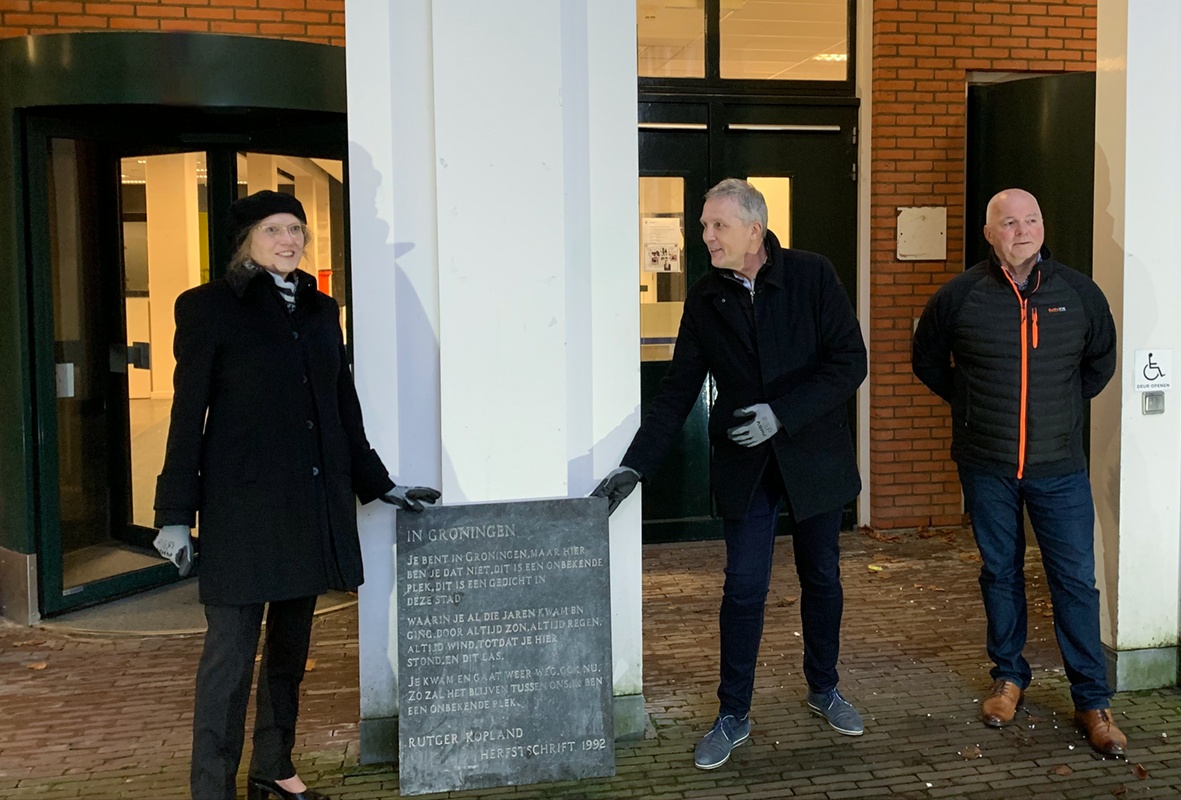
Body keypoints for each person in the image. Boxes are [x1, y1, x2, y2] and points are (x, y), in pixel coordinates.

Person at [152, 190, 441, 800]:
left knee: (289, 651)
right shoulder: (208, 308)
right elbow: (187, 415)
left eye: (298, 231)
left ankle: (274, 770)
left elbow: (342, 407)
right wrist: (174, 514)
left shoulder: (319, 309)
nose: (290, 242)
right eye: (274, 230)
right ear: (245, 240)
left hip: (309, 506)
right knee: (228, 663)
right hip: (243, 510)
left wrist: (379, 483)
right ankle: (212, 788)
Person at [592, 179, 867, 770]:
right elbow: (675, 394)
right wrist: (633, 466)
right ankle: (733, 712)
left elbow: (851, 363)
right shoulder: (704, 298)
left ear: (754, 230)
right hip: (748, 466)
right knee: (744, 587)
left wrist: (782, 415)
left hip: (813, 455)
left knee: (821, 576)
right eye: (703, 226)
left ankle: (824, 687)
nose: (706, 236)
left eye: (717, 225)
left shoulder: (813, 276)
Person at [912, 188, 1125, 757]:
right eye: (1009, 222)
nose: (1022, 229)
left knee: (1075, 582)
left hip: (1060, 467)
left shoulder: (1079, 293)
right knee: (1000, 572)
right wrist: (973, 406)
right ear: (990, 233)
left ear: (1042, 225)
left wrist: (1057, 412)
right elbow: (927, 360)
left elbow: (1100, 361)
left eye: (1031, 219)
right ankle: (1008, 678)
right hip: (987, 465)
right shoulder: (959, 297)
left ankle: (1091, 699)